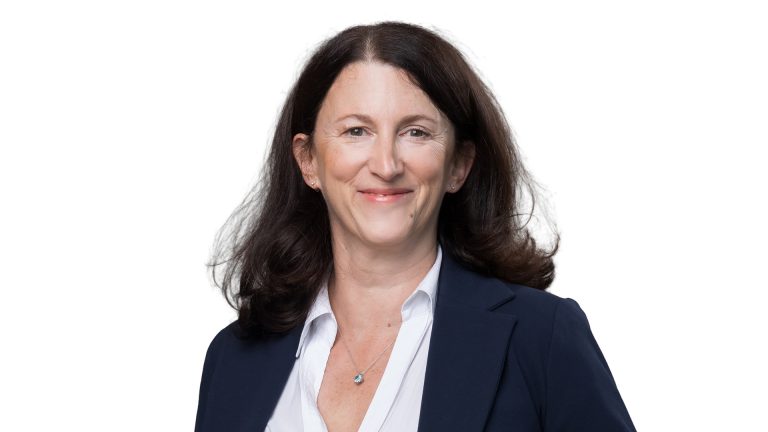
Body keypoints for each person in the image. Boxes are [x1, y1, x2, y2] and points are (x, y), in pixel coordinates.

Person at [195, 21, 636, 432]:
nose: (386, 165)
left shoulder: (542, 336)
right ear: (308, 161)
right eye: (356, 131)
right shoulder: (234, 357)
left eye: (416, 133)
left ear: (458, 164)